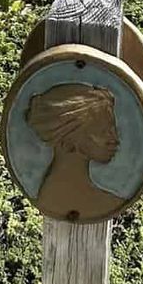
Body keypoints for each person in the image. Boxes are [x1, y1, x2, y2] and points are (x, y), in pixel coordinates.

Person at [26, 83, 122, 221]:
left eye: (113, 130)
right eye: (102, 131)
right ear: (69, 138)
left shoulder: (108, 202)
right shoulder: (105, 203)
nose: (115, 139)